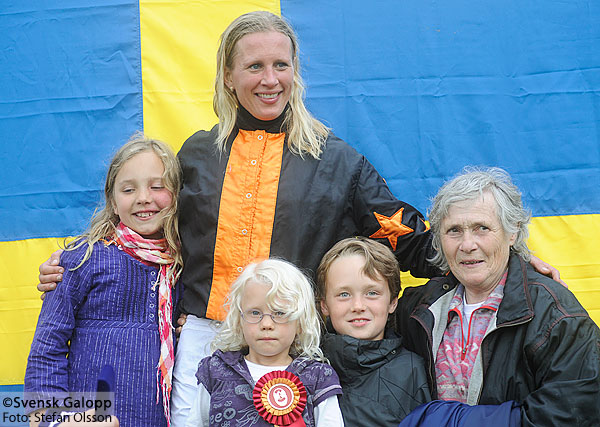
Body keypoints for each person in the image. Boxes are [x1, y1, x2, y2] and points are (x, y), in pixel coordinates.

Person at [36, 11, 561, 424]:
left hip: (294, 345)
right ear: (228, 75)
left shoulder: (337, 160)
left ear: (295, 71)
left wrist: (507, 261)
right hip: (200, 339)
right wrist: (72, 267)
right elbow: (148, 225)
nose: (270, 79)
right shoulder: (195, 154)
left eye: (281, 65)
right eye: (254, 66)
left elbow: (409, 239)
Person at [395, 167, 600, 426]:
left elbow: (572, 415)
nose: (467, 245)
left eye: (482, 228)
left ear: (512, 232)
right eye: (454, 230)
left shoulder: (557, 315)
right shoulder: (416, 308)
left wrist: (452, 421)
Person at [25, 134, 183, 426]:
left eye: (157, 186)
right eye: (128, 189)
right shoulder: (83, 258)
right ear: (113, 200)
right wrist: (53, 420)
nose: (143, 197)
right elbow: (48, 347)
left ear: (177, 193)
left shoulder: (182, 268)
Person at [185, 258, 344, 426]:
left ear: (300, 323)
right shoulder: (216, 370)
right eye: (255, 313)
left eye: (280, 313)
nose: (266, 324)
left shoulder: (319, 377)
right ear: (239, 320)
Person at [315, 237, 431, 426]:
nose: (358, 306)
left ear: (393, 302)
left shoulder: (413, 371)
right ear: (324, 305)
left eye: (372, 293)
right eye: (344, 294)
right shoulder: (308, 367)